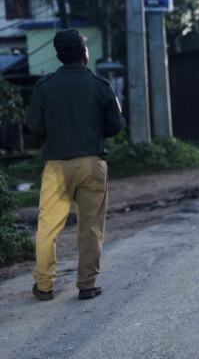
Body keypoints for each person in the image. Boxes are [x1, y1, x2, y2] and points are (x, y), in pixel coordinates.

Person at [25, 28, 124, 301]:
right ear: (84, 53)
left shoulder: (44, 86)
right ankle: (87, 285)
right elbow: (115, 126)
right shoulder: (101, 85)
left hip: (56, 167)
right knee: (90, 227)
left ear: (58, 56)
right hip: (93, 164)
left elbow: (33, 126)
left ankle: (44, 286)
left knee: (48, 227)